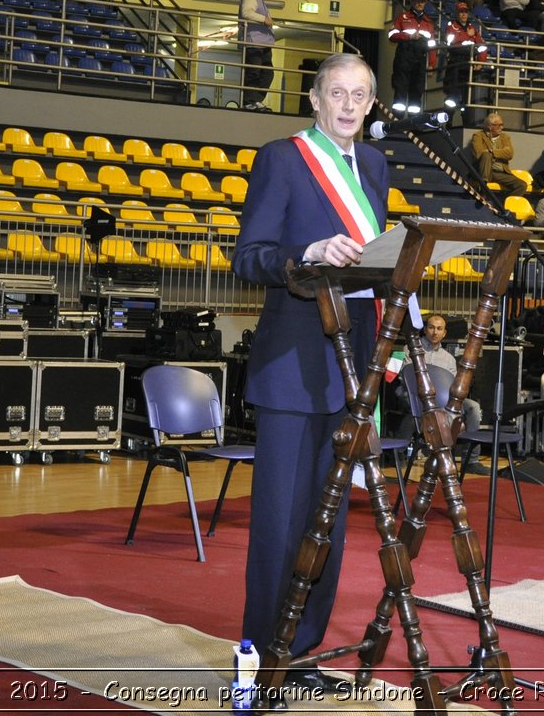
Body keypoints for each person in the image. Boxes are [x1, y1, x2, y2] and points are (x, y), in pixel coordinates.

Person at [230, 52, 388, 673]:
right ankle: (256, 661)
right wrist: (308, 252)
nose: (348, 105)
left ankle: (300, 653)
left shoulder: (374, 165)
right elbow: (250, 257)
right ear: (315, 100)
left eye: (360, 95)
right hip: (293, 365)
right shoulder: (282, 157)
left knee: (330, 526)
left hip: (352, 364)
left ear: (372, 105)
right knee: (279, 526)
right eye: (337, 93)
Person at [386, 0, 436, 114]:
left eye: (422, 1)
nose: (419, 4)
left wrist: (432, 64)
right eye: (417, 1)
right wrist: (408, 37)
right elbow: (392, 35)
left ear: (425, 3)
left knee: (417, 91)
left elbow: (432, 45)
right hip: (404, 57)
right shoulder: (403, 17)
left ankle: (413, 126)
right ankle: (397, 122)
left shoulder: (428, 22)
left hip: (420, 59)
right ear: (412, 2)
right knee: (400, 89)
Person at [441, 2, 487, 124]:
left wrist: (481, 62)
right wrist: (467, 35)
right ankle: (448, 122)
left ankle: (466, 123)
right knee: (452, 97)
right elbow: (451, 43)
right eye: (461, 12)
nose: (463, 14)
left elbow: (482, 47)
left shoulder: (473, 28)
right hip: (454, 65)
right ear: (457, 13)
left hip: (468, 65)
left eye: (465, 12)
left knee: (467, 98)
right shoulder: (451, 26)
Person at [238, 0, 275, 112]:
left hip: (263, 43)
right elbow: (246, 13)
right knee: (254, 72)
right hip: (254, 41)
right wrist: (264, 19)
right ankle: (250, 101)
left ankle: (256, 99)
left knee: (267, 73)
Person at [468, 112, 523, 193]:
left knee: (522, 185)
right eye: (499, 125)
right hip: (485, 172)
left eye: (502, 125)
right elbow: (478, 154)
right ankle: (483, 187)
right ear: (490, 126)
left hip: (500, 173)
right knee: (486, 155)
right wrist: (500, 153)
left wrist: (492, 151)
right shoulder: (478, 136)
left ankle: (506, 204)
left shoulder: (505, 137)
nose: (502, 127)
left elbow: (510, 154)